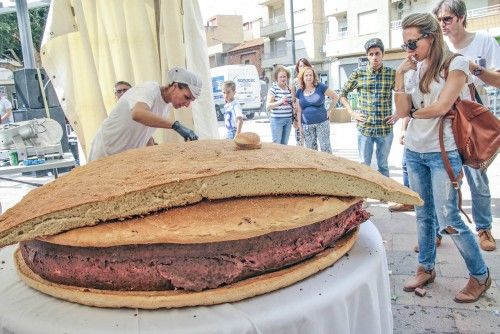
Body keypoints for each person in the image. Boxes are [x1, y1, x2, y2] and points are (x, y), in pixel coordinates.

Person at [395, 13, 490, 303]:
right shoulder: (412, 69)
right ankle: (426, 267)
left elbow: (441, 106)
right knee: (423, 214)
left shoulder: (456, 63)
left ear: (431, 37)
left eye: (412, 43)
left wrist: (410, 113)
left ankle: (480, 275)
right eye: (405, 44)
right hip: (414, 150)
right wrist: (399, 75)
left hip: (442, 152)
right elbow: (401, 108)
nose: (409, 50)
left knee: (449, 218)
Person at [433, 0, 499, 251]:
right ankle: (441, 227)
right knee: (443, 177)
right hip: (443, 121)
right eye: (439, 20)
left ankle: (483, 228)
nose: (443, 25)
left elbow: (498, 81)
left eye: (447, 19)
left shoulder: (483, 41)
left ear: (462, 18)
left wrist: (474, 68)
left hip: (469, 123)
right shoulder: (438, 45)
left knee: (477, 176)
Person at [89, 67, 200, 161]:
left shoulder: (166, 107)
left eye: (191, 101)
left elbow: (145, 132)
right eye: (187, 97)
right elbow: (138, 114)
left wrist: (154, 157)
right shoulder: (148, 89)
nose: (187, 104)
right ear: (175, 86)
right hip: (104, 152)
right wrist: (176, 126)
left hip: (124, 158)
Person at [339, 38, 396, 177]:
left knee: (383, 165)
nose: (374, 57)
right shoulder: (359, 73)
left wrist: (398, 113)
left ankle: (385, 194)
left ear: (383, 54)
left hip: (385, 128)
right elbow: (342, 94)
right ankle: (362, 197)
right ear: (367, 56)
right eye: (371, 54)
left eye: (377, 53)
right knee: (364, 165)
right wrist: (352, 113)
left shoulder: (392, 73)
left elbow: (403, 94)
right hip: (365, 128)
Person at [296, 66, 338, 153]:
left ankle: (328, 166)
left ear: (314, 76)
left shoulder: (320, 87)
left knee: (325, 148)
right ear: (302, 78)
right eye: (306, 75)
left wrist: (329, 110)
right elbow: (299, 111)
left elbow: (335, 96)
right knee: (311, 150)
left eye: (310, 75)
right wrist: (300, 126)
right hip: (307, 125)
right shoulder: (299, 91)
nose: (308, 77)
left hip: (322, 123)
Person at [266, 65, 293, 145]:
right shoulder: (273, 89)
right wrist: (280, 101)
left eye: (284, 76)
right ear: (276, 78)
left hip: (288, 120)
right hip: (277, 120)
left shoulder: (289, 89)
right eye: (280, 77)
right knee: (277, 144)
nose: (283, 78)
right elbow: (268, 106)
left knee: (284, 144)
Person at [291, 58, 312, 146]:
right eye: (300, 66)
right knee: (299, 141)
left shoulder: (312, 79)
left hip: (310, 114)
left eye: (305, 65)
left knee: (311, 140)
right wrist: (295, 117)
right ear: (298, 68)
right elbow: (293, 100)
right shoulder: (294, 82)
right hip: (299, 114)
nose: (302, 67)